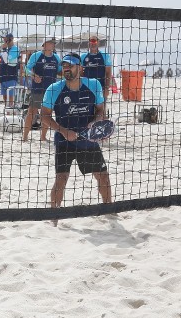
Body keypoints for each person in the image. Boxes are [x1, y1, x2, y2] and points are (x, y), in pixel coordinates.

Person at [41, 53, 112, 211]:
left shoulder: (94, 85)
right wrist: (63, 131)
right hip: (64, 141)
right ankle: (53, 215)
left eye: (70, 66)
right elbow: (44, 116)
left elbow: (100, 110)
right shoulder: (54, 89)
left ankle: (110, 211)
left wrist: (96, 122)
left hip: (87, 140)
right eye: (64, 66)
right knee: (61, 179)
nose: (66, 69)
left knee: (103, 176)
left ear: (80, 68)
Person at [23, 35, 62, 142]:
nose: (53, 45)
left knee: (47, 114)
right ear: (44, 44)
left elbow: (60, 71)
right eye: (51, 43)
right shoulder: (36, 56)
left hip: (51, 90)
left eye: (54, 43)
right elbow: (26, 69)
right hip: (38, 89)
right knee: (32, 112)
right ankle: (25, 137)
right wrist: (34, 76)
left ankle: (43, 137)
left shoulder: (56, 58)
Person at [81, 34, 113, 106]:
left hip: (101, 88)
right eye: (91, 41)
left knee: (101, 110)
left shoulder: (105, 55)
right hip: (87, 88)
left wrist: (107, 88)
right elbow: (80, 74)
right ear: (88, 43)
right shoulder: (83, 56)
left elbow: (108, 73)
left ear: (98, 43)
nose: (93, 43)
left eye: (94, 41)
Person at [0, 33, 20, 108]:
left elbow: (7, 60)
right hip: (3, 76)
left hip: (11, 76)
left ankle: (10, 111)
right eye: (3, 39)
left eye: (5, 39)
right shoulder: (6, 48)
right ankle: (6, 110)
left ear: (10, 39)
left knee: (11, 96)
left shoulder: (15, 49)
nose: (4, 40)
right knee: (4, 96)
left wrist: (3, 50)